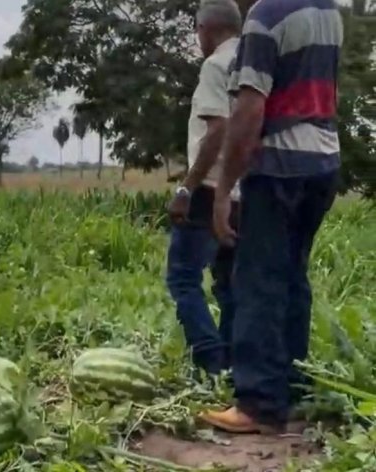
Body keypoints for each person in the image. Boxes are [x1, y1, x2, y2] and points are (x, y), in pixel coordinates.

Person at [201, 0, 344, 433]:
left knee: (259, 279)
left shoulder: (267, 16)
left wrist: (224, 190)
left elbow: (249, 109)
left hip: (279, 164)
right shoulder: (329, 11)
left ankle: (259, 403)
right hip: (323, 162)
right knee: (292, 277)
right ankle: (291, 388)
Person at [166, 0, 242, 376]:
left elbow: (218, 130)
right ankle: (231, 359)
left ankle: (211, 359)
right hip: (244, 190)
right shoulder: (254, 63)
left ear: (207, 29)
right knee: (229, 282)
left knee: (182, 276)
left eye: (198, 31)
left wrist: (187, 187)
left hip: (212, 188)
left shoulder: (215, 65)